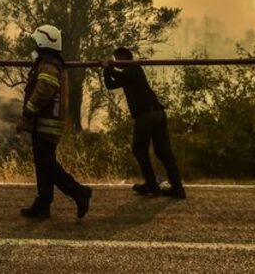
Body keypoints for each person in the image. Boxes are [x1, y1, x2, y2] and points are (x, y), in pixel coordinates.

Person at [16, 24, 92, 219]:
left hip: (45, 123)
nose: (34, 47)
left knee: (48, 165)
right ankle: (43, 204)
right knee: (44, 165)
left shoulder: (48, 65)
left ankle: (78, 192)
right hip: (46, 123)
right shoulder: (51, 62)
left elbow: (43, 92)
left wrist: (27, 113)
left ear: (43, 41)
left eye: (36, 42)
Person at [103, 47, 185, 199]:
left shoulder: (133, 68)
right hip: (155, 114)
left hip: (146, 115)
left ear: (125, 57)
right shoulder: (128, 72)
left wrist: (109, 68)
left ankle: (152, 184)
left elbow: (121, 77)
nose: (116, 62)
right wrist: (106, 70)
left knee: (140, 149)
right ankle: (176, 187)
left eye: (117, 58)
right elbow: (110, 85)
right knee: (163, 152)